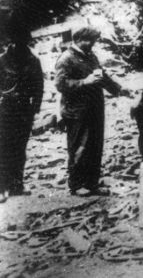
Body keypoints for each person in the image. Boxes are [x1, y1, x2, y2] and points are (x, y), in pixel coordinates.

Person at [55, 24, 126, 196]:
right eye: (90, 41)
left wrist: (118, 89)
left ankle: (92, 183)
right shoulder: (66, 58)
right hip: (77, 111)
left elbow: (101, 76)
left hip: (95, 108)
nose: (93, 44)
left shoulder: (90, 56)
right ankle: (77, 184)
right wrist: (84, 82)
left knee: (95, 146)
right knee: (79, 147)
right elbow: (60, 84)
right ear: (79, 40)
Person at [0, 19, 43, 201]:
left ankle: (17, 185)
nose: (19, 44)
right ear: (11, 40)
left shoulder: (33, 61)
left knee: (20, 149)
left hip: (24, 111)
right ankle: (2, 188)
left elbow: (39, 87)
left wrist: (35, 108)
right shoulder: (2, 61)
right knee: (3, 148)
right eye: (16, 40)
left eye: (23, 40)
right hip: (5, 110)